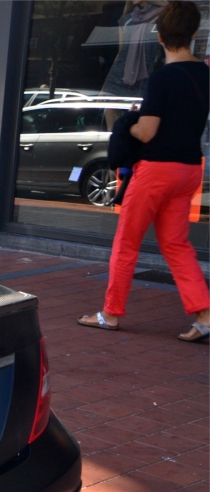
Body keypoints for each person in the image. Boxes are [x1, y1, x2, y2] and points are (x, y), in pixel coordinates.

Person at [79, 1, 210, 343]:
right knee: (176, 244)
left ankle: (110, 314)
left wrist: (129, 124)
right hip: (189, 169)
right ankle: (205, 315)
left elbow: (148, 132)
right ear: (195, 33)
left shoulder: (163, 77)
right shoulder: (205, 74)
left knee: (126, 242)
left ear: (161, 35)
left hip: (156, 171)